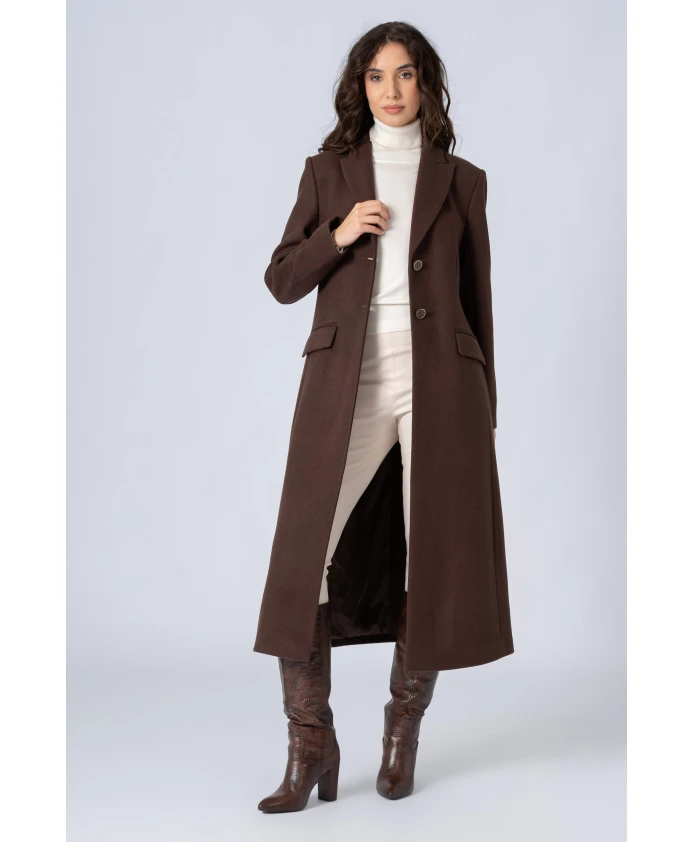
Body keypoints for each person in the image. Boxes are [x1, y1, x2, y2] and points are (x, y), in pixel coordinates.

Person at [256, 21, 513, 813]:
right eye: (375, 76)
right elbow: (280, 279)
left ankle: (402, 736)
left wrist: (485, 407)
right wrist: (338, 234)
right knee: (303, 558)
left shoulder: (460, 180)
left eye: (405, 74)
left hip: (441, 384)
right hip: (350, 377)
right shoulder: (327, 172)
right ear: (358, 88)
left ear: (425, 84)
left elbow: (476, 297)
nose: (391, 90)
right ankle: (310, 745)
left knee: (429, 559)